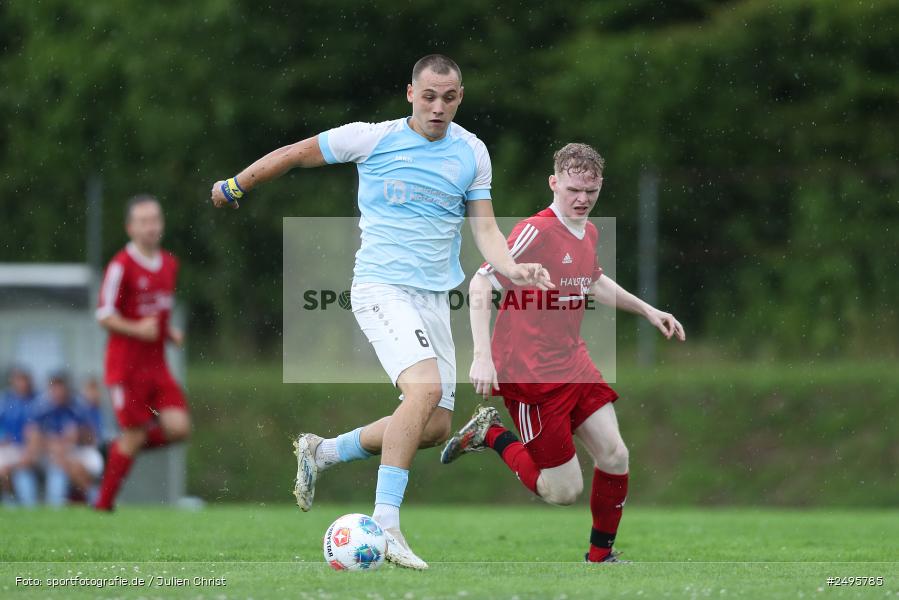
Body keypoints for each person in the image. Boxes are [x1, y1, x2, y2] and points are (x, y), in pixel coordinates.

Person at [210, 54, 551, 569]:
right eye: (430, 96)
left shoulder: (472, 152)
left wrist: (513, 268)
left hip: (436, 299)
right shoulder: (372, 138)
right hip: (381, 287)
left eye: (450, 97)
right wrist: (237, 184)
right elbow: (297, 153)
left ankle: (321, 452)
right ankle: (387, 526)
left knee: (433, 424)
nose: (439, 107)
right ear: (410, 93)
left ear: (461, 97)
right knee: (424, 390)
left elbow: (484, 228)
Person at [441, 143, 685, 563]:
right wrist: (482, 355)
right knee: (563, 491)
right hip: (531, 376)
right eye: (573, 189)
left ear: (600, 186)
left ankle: (600, 557)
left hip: (573, 362)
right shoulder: (536, 231)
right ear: (554, 183)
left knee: (615, 454)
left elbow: (592, 282)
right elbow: (481, 284)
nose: (582, 199)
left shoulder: (588, 231)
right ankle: (491, 434)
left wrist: (648, 309)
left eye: (590, 191)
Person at [93, 194, 190, 511]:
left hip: (157, 367)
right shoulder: (121, 266)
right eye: (144, 221)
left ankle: (117, 448)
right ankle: (102, 505)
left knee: (179, 428)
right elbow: (104, 314)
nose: (151, 227)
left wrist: (169, 333)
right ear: (130, 227)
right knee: (134, 436)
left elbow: (157, 315)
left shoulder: (169, 265)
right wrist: (138, 330)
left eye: (155, 220)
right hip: (126, 368)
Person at [35, 372, 103, 506]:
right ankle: (98, 500)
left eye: (61, 389)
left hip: (75, 452)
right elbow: (33, 436)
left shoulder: (78, 406)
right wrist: (50, 443)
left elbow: (92, 438)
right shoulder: (41, 408)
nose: (58, 393)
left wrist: (78, 434)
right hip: (49, 455)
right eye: (55, 389)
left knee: (68, 466)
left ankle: (60, 505)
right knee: (60, 469)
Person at [0, 366, 41, 507]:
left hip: (31, 449)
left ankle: (27, 503)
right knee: (4, 468)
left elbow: (37, 430)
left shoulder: (37, 400)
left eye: (24, 380)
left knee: (23, 470)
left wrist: (31, 451)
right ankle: (11, 500)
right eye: (19, 380)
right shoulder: (6, 400)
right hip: (11, 447)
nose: (22, 384)